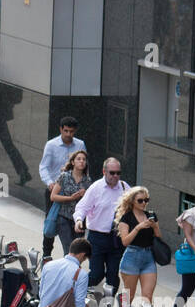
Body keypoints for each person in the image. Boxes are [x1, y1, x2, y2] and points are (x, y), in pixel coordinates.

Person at [73, 158, 129, 293]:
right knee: (97, 274)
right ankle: (74, 291)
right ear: (104, 172)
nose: (115, 176)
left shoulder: (124, 187)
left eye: (118, 173)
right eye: (112, 173)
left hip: (116, 238)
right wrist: (79, 220)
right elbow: (82, 207)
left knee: (113, 276)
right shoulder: (96, 188)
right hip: (97, 238)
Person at [38, 116, 86, 256]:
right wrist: (50, 183)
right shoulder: (51, 145)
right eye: (65, 131)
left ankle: (72, 254)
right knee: (51, 221)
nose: (68, 134)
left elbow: (84, 165)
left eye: (71, 131)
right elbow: (43, 167)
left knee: (74, 221)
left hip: (74, 192)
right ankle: (47, 254)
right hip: (55, 191)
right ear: (61, 129)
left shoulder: (80, 145)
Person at [114, 186, 162, 307]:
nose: (144, 203)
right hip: (132, 257)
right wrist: (138, 227)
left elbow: (158, 237)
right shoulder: (127, 218)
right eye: (140, 200)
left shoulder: (151, 215)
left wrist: (155, 227)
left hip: (148, 258)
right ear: (132, 201)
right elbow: (125, 241)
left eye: (146, 200)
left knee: (148, 296)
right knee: (128, 296)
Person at [50, 149, 91, 258]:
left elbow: (90, 201)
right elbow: (53, 196)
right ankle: (68, 272)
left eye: (84, 159)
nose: (82, 161)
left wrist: (85, 194)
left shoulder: (87, 181)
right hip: (64, 217)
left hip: (79, 220)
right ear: (72, 162)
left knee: (78, 251)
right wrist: (70, 198)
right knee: (68, 250)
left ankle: (75, 272)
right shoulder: (64, 176)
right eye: (78, 159)